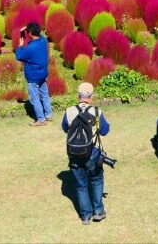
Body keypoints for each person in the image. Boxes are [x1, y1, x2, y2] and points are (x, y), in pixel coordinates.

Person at [62, 82, 110, 225]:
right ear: (91, 96)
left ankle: (85, 216)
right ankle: (98, 211)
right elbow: (105, 131)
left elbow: (65, 128)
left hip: (74, 152)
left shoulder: (69, 111)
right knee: (96, 180)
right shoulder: (96, 111)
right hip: (92, 152)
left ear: (78, 96)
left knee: (81, 185)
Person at [15, 22, 52, 126]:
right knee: (44, 95)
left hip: (33, 77)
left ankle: (41, 119)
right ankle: (48, 115)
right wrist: (28, 28)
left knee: (35, 98)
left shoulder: (30, 48)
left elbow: (19, 56)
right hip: (43, 74)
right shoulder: (43, 41)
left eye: (27, 32)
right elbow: (39, 35)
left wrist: (20, 45)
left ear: (30, 33)